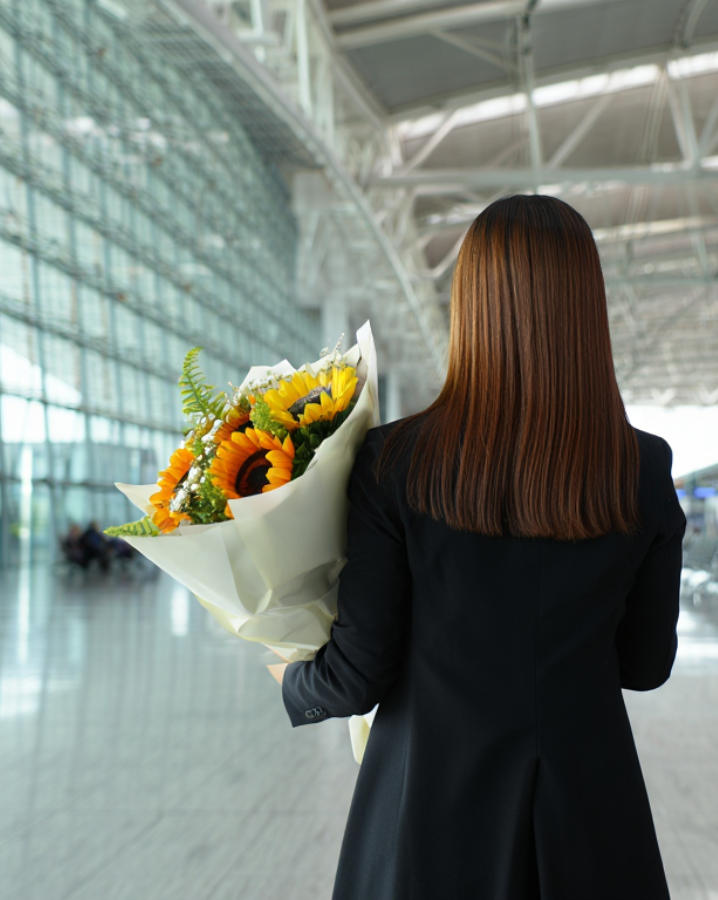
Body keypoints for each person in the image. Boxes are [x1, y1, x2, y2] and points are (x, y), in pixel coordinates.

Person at [270, 195, 684, 899]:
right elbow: (645, 665)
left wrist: (289, 677)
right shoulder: (639, 468)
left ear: (472, 305)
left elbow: (357, 673)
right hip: (587, 822)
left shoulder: (393, 462)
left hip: (423, 819)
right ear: (588, 311)